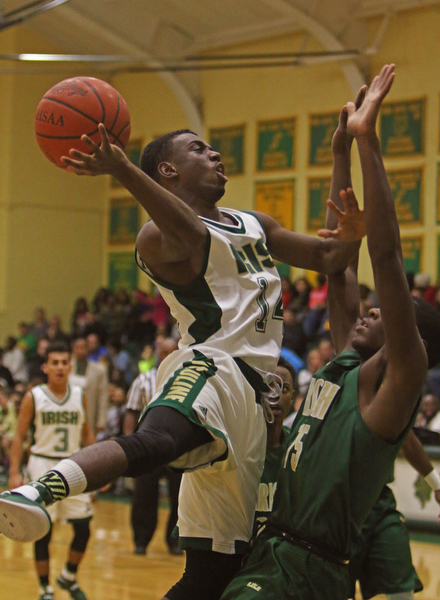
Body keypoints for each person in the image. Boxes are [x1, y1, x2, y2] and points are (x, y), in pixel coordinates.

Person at [0, 102, 364, 600]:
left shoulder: (253, 223)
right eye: (199, 148)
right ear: (167, 171)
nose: (214, 154)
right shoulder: (155, 238)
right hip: (212, 366)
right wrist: (123, 168)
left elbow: (332, 255)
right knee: (157, 442)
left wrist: (342, 152)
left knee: (214, 575)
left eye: (212, 148)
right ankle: (37, 491)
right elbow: (191, 232)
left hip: (257, 402)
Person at [221, 65, 440, 600]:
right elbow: (338, 258)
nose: (371, 310)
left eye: (387, 313)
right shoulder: (351, 356)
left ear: (409, 341)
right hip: (270, 548)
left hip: (309, 568)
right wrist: (340, 154)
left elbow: (385, 255)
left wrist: (370, 142)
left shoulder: (392, 382)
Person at [7, 341, 96, 600]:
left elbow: (87, 433)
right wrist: (14, 471)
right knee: (43, 530)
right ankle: (45, 587)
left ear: (70, 366)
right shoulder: (33, 396)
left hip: (73, 465)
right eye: (54, 363)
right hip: (42, 465)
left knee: (83, 528)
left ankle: (68, 576)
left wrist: (100, 468)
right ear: (45, 367)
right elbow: (19, 436)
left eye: (63, 362)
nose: (59, 367)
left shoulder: (80, 395)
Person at [348, 429, 440, 600]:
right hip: (341, 507)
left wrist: (437, 485)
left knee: (401, 583)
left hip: (380, 504)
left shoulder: (390, 406)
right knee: (339, 589)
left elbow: (408, 441)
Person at [123, 337, 182, 555]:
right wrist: (130, 446)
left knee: (180, 498)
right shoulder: (144, 379)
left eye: (171, 352)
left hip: (177, 447)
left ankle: (174, 541)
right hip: (147, 446)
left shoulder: (186, 378)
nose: (166, 356)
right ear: (157, 353)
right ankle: (141, 540)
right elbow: (131, 411)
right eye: (163, 352)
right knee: (144, 496)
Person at [255, 357, 295, 529]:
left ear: (292, 398)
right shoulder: (241, 443)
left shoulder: (299, 447)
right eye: (268, 386)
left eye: (284, 388)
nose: (275, 394)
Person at [69, 337, 109, 437]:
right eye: (77, 348)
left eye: (83, 348)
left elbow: (103, 396)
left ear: (87, 349)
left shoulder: (99, 370)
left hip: (90, 413)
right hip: (70, 413)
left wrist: (101, 421)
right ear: (73, 349)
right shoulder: (67, 368)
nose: (80, 351)